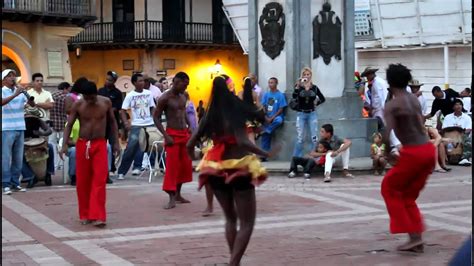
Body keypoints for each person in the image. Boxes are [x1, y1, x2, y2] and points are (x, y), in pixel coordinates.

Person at [186, 76, 272, 266]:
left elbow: (190, 144)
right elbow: (242, 141)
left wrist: (195, 159)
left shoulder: (210, 115)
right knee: (247, 222)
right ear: (229, 90)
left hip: (215, 170)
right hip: (239, 168)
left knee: (230, 219)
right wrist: (266, 152)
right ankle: (233, 263)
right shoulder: (234, 112)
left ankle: (234, 261)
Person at [381, 63, 436, 252]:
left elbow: (387, 133)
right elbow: (420, 123)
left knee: (389, 187)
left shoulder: (392, 105)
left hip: (413, 153)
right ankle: (416, 239)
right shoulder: (414, 99)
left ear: (389, 82)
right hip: (428, 150)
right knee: (407, 195)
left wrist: (388, 153)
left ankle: (412, 233)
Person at [60, 81, 120, 227]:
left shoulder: (106, 102)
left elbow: (112, 123)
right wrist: (64, 144)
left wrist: (116, 143)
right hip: (83, 144)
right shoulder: (79, 105)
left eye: (91, 97)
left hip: (99, 144)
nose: (89, 100)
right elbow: (69, 125)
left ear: (95, 93)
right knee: (83, 181)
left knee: (99, 180)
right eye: (86, 97)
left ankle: (98, 215)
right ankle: (85, 214)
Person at [153, 72, 193, 209]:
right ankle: (171, 197)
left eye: (187, 85)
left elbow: (184, 112)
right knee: (172, 167)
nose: (185, 87)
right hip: (172, 135)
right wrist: (165, 135)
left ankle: (178, 194)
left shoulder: (183, 96)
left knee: (184, 166)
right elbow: (156, 117)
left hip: (184, 134)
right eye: (184, 84)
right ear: (176, 82)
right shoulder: (165, 98)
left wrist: (190, 127)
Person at [117, 73, 156, 179]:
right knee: (131, 148)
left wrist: (155, 119)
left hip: (149, 123)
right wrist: (126, 123)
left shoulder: (149, 93)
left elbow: (152, 107)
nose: (142, 83)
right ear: (134, 83)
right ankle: (121, 171)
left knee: (150, 146)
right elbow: (122, 111)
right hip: (136, 125)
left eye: (143, 81)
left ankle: (141, 167)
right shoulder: (130, 95)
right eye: (140, 81)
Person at [2, 69, 35, 194]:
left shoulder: (20, 92)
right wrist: (15, 94)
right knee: (5, 158)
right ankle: (5, 184)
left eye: (14, 76)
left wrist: (27, 96)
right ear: (4, 80)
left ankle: (15, 183)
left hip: (20, 127)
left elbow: (32, 105)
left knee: (18, 157)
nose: (13, 78)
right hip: (6, 128)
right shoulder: (2, 91)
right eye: (9, 76)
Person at [292, 67, 326, 157]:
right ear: (302, 76)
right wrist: (297, 87)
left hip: (312, 113)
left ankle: (313, 157)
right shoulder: (299, 87)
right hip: (301, 113)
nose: (306, 76)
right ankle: (296, 159)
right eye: (304, 74)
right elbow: (294, 97)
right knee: (300, 138)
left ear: (311, 76)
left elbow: (322, 98)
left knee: (314, 138)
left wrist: (316, 103)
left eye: (308, 74)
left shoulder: (314, 88)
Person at [21, 106, 55, 188]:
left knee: (50, 147)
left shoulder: (38, 120)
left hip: (38, 142)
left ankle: (48, 173)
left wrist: (41, 133)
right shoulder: (20, 121)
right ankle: (29, 176)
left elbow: (49, 130)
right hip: (24, 143)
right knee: (18, 155)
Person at [98, 71, 123, 177]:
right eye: (107, 79)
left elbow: (116, 107)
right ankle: (102, 166)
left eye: (110, 80)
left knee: (113, 146)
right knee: (101, 145)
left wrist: (106, 110)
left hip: (112, 123)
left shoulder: (117, 93)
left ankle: (112, 167)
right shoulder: (100, 91)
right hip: (101, 123)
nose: (107, 81)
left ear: (114, 81)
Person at [260, 77, 287, 159]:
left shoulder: (280, 95)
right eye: (269, 82)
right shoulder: (266, 94)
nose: (270, 84)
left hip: (276, 117)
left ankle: (268, 130)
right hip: (267, 117)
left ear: (276, 83)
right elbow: (263, 106)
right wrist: (265, 116)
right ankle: (264, 156)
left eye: (272, 82)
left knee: (278, 120)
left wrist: (272, 118)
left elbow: (281, 108)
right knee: (265, 137)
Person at [442, 99, 472, 166]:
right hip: (450, 137)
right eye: (456, 104)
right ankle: (448, 158)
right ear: (453, 107)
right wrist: (456, 130)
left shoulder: (467, 117)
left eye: (460, 104)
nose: (458, 106)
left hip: (462, 136)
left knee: (469, 140)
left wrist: (460, 132)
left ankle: (464, 158)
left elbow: (469, 129)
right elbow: (444, 129)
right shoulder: (448, 117)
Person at [50, 82, 70, 170]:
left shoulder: (51, 95)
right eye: (68, 89)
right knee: (63, 143)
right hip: (63, 122)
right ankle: (62, 164)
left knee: (52, 144)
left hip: (52, 122)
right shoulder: (66, 97)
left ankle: (53, 164)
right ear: (65, 88)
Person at [238, 77, 262, 144]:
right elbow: (258, 105)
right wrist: (262, 109)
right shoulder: (254, 93)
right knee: (251, 136)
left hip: (243, 117)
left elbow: (239, 105)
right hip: (252, 116)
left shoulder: (240, 93)